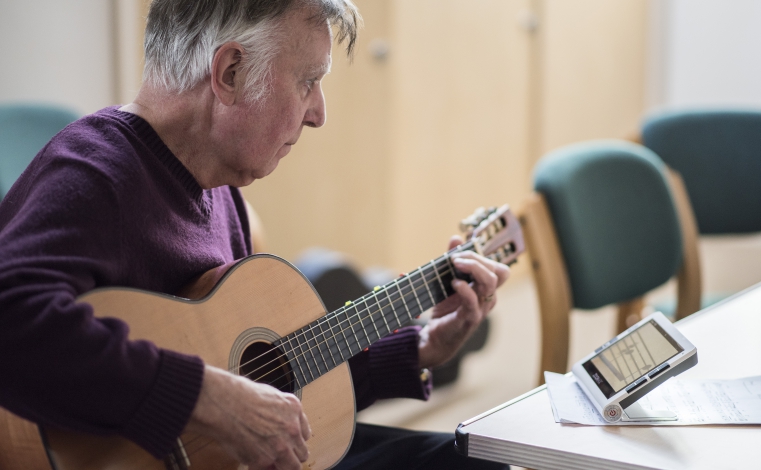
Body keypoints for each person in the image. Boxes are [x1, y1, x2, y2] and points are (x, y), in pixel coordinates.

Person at [0, 1, 510, 469]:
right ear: (230, 72)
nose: (319, 114)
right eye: (308, 81)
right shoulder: (94, 173)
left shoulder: (221, 190)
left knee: (473, 458)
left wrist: (420, 348)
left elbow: (270, 392)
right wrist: (205, 398)